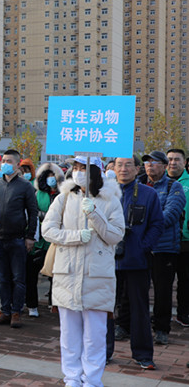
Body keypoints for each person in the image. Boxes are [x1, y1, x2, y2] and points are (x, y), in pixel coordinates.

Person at [42, 156, 125, 387]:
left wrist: (95, 215)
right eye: (75, 168)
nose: (77, 172)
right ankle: (72, 378)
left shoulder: (111, 199)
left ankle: (92, 380)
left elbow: (115, 235)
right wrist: (75, 237)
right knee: (69, 336)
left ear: (96, 171)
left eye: (83, 168)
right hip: (67, 275)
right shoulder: (65, 197)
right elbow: (48, 230)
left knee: (95, 337)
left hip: (97, 277)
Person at [111, 155, 163, 370]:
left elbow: (157, 224)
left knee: (140, 309)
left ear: (137, 168)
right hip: (108, 262)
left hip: (137, 261)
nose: (124, 169)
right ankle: (102, 352)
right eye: (119, 165)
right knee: (105, 310)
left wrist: (143, 245)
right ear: (113, 168)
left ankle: (143, 354)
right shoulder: (106, 192)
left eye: (128, 165)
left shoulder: (148, 193)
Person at [0, 149, 38, 329]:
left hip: (17, 239)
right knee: (2, 278)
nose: (5, 163)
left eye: (9, 161)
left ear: (18, 165)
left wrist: (30, 236)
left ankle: (16, 311)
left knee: (19, 278)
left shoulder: (25, 186)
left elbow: (33, 213)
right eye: (3, 160)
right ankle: (5, 310)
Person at [140, 151, 185, 345]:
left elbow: (169, 215)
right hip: (141, 248)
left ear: (164, 165)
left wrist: (143, 226)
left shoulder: (173, 187)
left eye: (155, 162)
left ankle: (161, 328)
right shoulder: (138, 186)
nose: (150, 165)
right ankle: (133, 324)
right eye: (147, 162)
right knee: (136, 289)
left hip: (163, 248)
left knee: (162, 291)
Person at [28, 162, 65, 317]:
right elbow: (32, 211)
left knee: (55, 275)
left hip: (55, 241)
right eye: (47, 176)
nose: (50, 179)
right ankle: (31, 306)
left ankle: (53, 302)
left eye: (53, 176)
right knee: (30, 274)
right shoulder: (37, 193)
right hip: (38, 239)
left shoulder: (63, 194)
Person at [167, 148, 189, 327]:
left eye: (177, 159)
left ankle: (183, 314)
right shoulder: (158, 182)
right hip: (164, 240)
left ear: (184, 162)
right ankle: (162, 315)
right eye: (170, 159)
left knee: (185, 280)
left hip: (185, 240)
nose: (173, 163)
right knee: (162, 281)